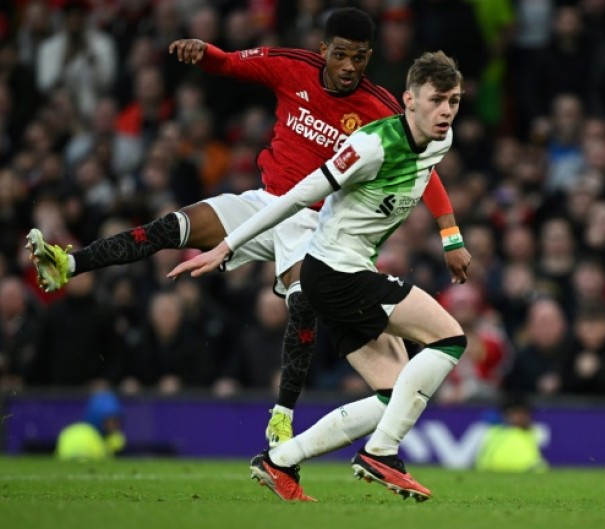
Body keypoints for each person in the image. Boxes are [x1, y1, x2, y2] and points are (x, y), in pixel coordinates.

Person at [25, 8, 470, 448]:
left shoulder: (381, 110)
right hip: (264, 203)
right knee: (172, 227)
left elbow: (424, 172)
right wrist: (203, 52)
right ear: (323, 50)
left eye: (359, 57)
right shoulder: (292, 66)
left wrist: (450, 237)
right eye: (340, 55)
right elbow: (230, 63)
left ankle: (282, 416)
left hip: (316, 220)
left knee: (302, 299)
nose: (349, 66)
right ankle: (69, 264)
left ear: (369, 57)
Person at [169, 51, 466, 503]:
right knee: (450, 339)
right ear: (409, 100)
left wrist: (451, 237)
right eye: (436, 100)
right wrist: (227, 245)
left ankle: (281, 460)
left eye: (454, 101)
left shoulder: (440, 141)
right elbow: (294, 197)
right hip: (333, 273)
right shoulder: (370, 146)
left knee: (394, 393)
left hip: (348, 272)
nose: (446, 111)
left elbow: (430, 175)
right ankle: (382, 453)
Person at [55, 390, 126, 461]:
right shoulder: (79, 435)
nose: (113, 426)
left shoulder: (114, 438)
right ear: (97, 417)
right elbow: (77, 464)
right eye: (109, 421)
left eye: (116, 421)